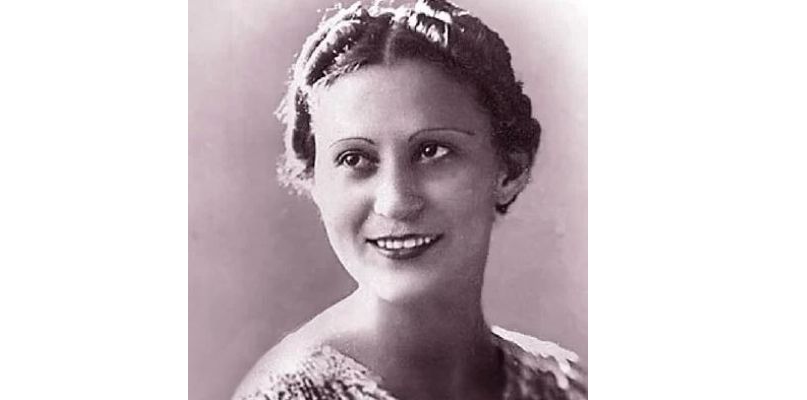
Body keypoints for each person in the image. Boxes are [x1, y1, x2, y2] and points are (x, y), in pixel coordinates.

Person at [234, 1, 585, 399]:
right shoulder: (288, 394)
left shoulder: (565, 386)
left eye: (432, 151)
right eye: (355, 159)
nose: (396, 201)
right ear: (315, 181)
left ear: (510, 169)